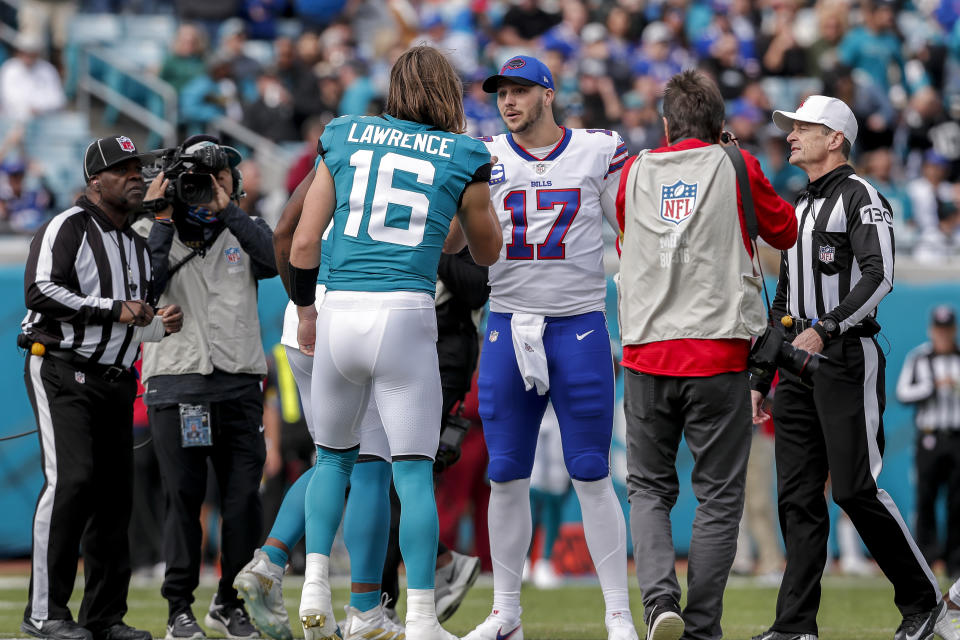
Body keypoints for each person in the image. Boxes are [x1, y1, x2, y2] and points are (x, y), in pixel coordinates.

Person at [287, 45, 501, 640]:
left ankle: (314, 594)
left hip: (339, 310)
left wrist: (305, 312)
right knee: (410, 471)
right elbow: (485, 252)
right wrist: (451, 222)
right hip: (406, 314)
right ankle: (423, 618)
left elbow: (303, 245)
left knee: (333, 459)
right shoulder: (463, 152)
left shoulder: (344, 131)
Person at [750, 95, 944, 640]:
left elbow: (879, 276)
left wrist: (827, 326)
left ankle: (924, 601)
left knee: (855, 488)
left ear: (835, 138)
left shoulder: (861, 197)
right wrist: (762, 374)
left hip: (845, 354)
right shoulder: (800, 203)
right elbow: (785, 295)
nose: (790, 135)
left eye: (803, 128)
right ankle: (795, 626)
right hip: (795, 363)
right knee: (797, 496)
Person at [617, 69, 797, 640]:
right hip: (719, 352)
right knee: (719, 498)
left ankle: (657, 603)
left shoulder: (634, 172)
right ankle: (701, 629)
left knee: (648, 488)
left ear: (665, 124)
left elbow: (628, 237)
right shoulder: (736, 165)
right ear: (721, 126)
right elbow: (785, 231)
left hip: (647, 350)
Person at [465, 54, 640, 640]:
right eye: (501, 92)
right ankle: (506, 612)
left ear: (548, 92)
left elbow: (636, 230)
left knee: (591, 471)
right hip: (507, 323)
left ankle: (618, 611)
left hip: (580, 326)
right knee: (506, 472)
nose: (508, 101)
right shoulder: (484, 157)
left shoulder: (600, 150)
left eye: (519, 90)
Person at [19, 135, 183, 640]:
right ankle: (44, 613)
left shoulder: (134, 244)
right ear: (95, 181)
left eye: (138, 167)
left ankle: (104, 616)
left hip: (116, 380)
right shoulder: (66, 226)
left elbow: (129, 320)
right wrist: (116, 309)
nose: (136, 175)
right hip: (62, 370)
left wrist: (157, 323)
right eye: (123, 169)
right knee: (72, 482)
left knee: (116, 498)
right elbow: (39, 289)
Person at [132, 135, 277, 640]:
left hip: (239, 384)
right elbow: (145, 289)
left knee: (243, 501)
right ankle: (179, 609)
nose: (211, 186)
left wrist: (225, 208)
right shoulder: (150, 230)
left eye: (222, 176)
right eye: (201, 177)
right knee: (185, 499)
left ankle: (229, 601)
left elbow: (273, 261)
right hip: (179, 385)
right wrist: (165, 217)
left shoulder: (246, 226)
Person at [896, 304, 960, 576]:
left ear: (953, 330)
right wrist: (932, 387)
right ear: (932, 330)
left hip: (957, 438)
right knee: (926, 499)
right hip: (930, 438)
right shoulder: (919, 358)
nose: (943, 334)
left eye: (948, 330)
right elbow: (903, 393)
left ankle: (956, 562)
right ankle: (927, 560)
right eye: (939, 329)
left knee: (958, 501)